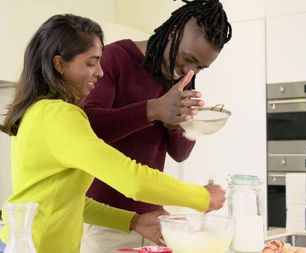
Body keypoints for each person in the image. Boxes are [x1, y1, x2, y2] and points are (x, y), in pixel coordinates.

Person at [0, 14, 225, 253]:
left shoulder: (42, 113)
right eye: (91, 63)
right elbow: (132, 179)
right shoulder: (58, 117)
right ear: (60, 64)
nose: (100, 72)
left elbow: (72, 202)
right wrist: (201, 197)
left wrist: (133, 221)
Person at [81, 0, 232, 252]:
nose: (190, 70)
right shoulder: (115, 58)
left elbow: (180, 153)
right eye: (189, 59)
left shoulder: (184, 79)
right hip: (107, 223)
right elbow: (90, 127)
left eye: (200, 67)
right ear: (173, 34)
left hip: (153, 222)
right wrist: (154, 109)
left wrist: (173, 124)